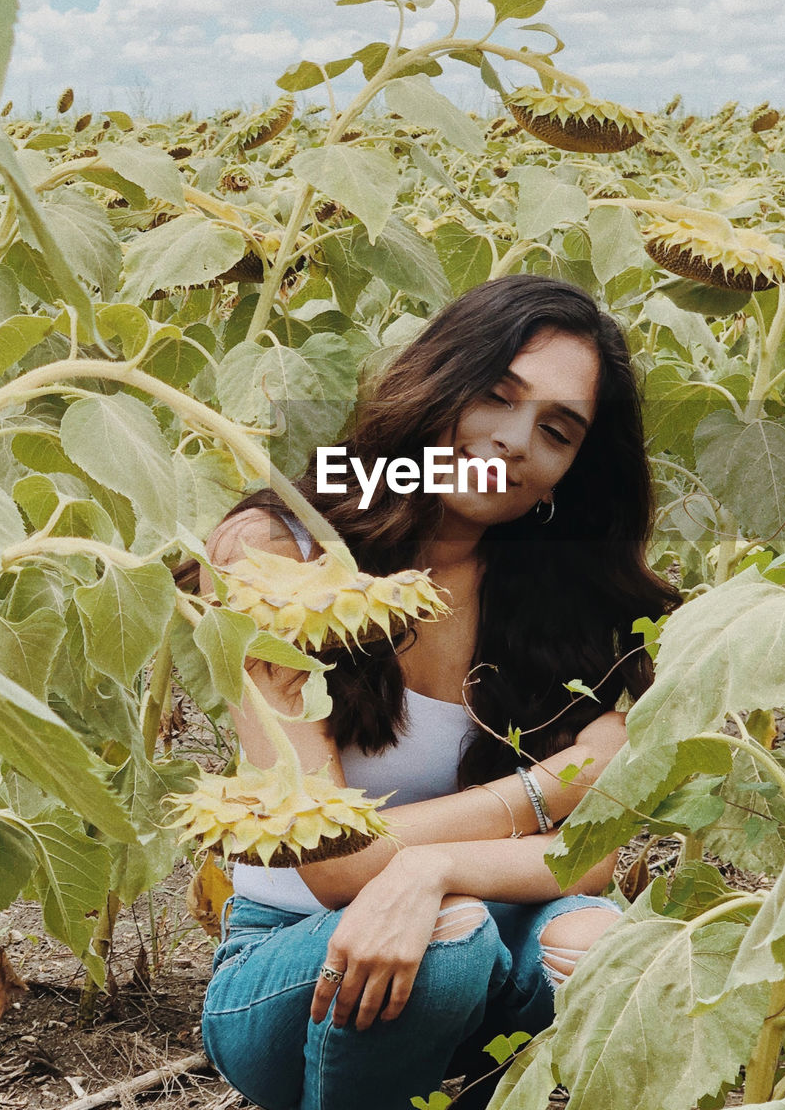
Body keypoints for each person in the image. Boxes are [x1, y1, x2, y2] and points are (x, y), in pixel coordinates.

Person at [194, 275, 681, 1110]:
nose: (515, 441)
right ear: (439, 384)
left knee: (604, 946)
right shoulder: (284, 555)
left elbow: (593, 859)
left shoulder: (563, 604)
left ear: (567, 471)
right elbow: (333, 862)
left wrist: (432, 865)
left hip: (491, 930)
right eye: (498, 395)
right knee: (446, 940)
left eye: (557, 430)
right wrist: (544, 788)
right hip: (289, 961)